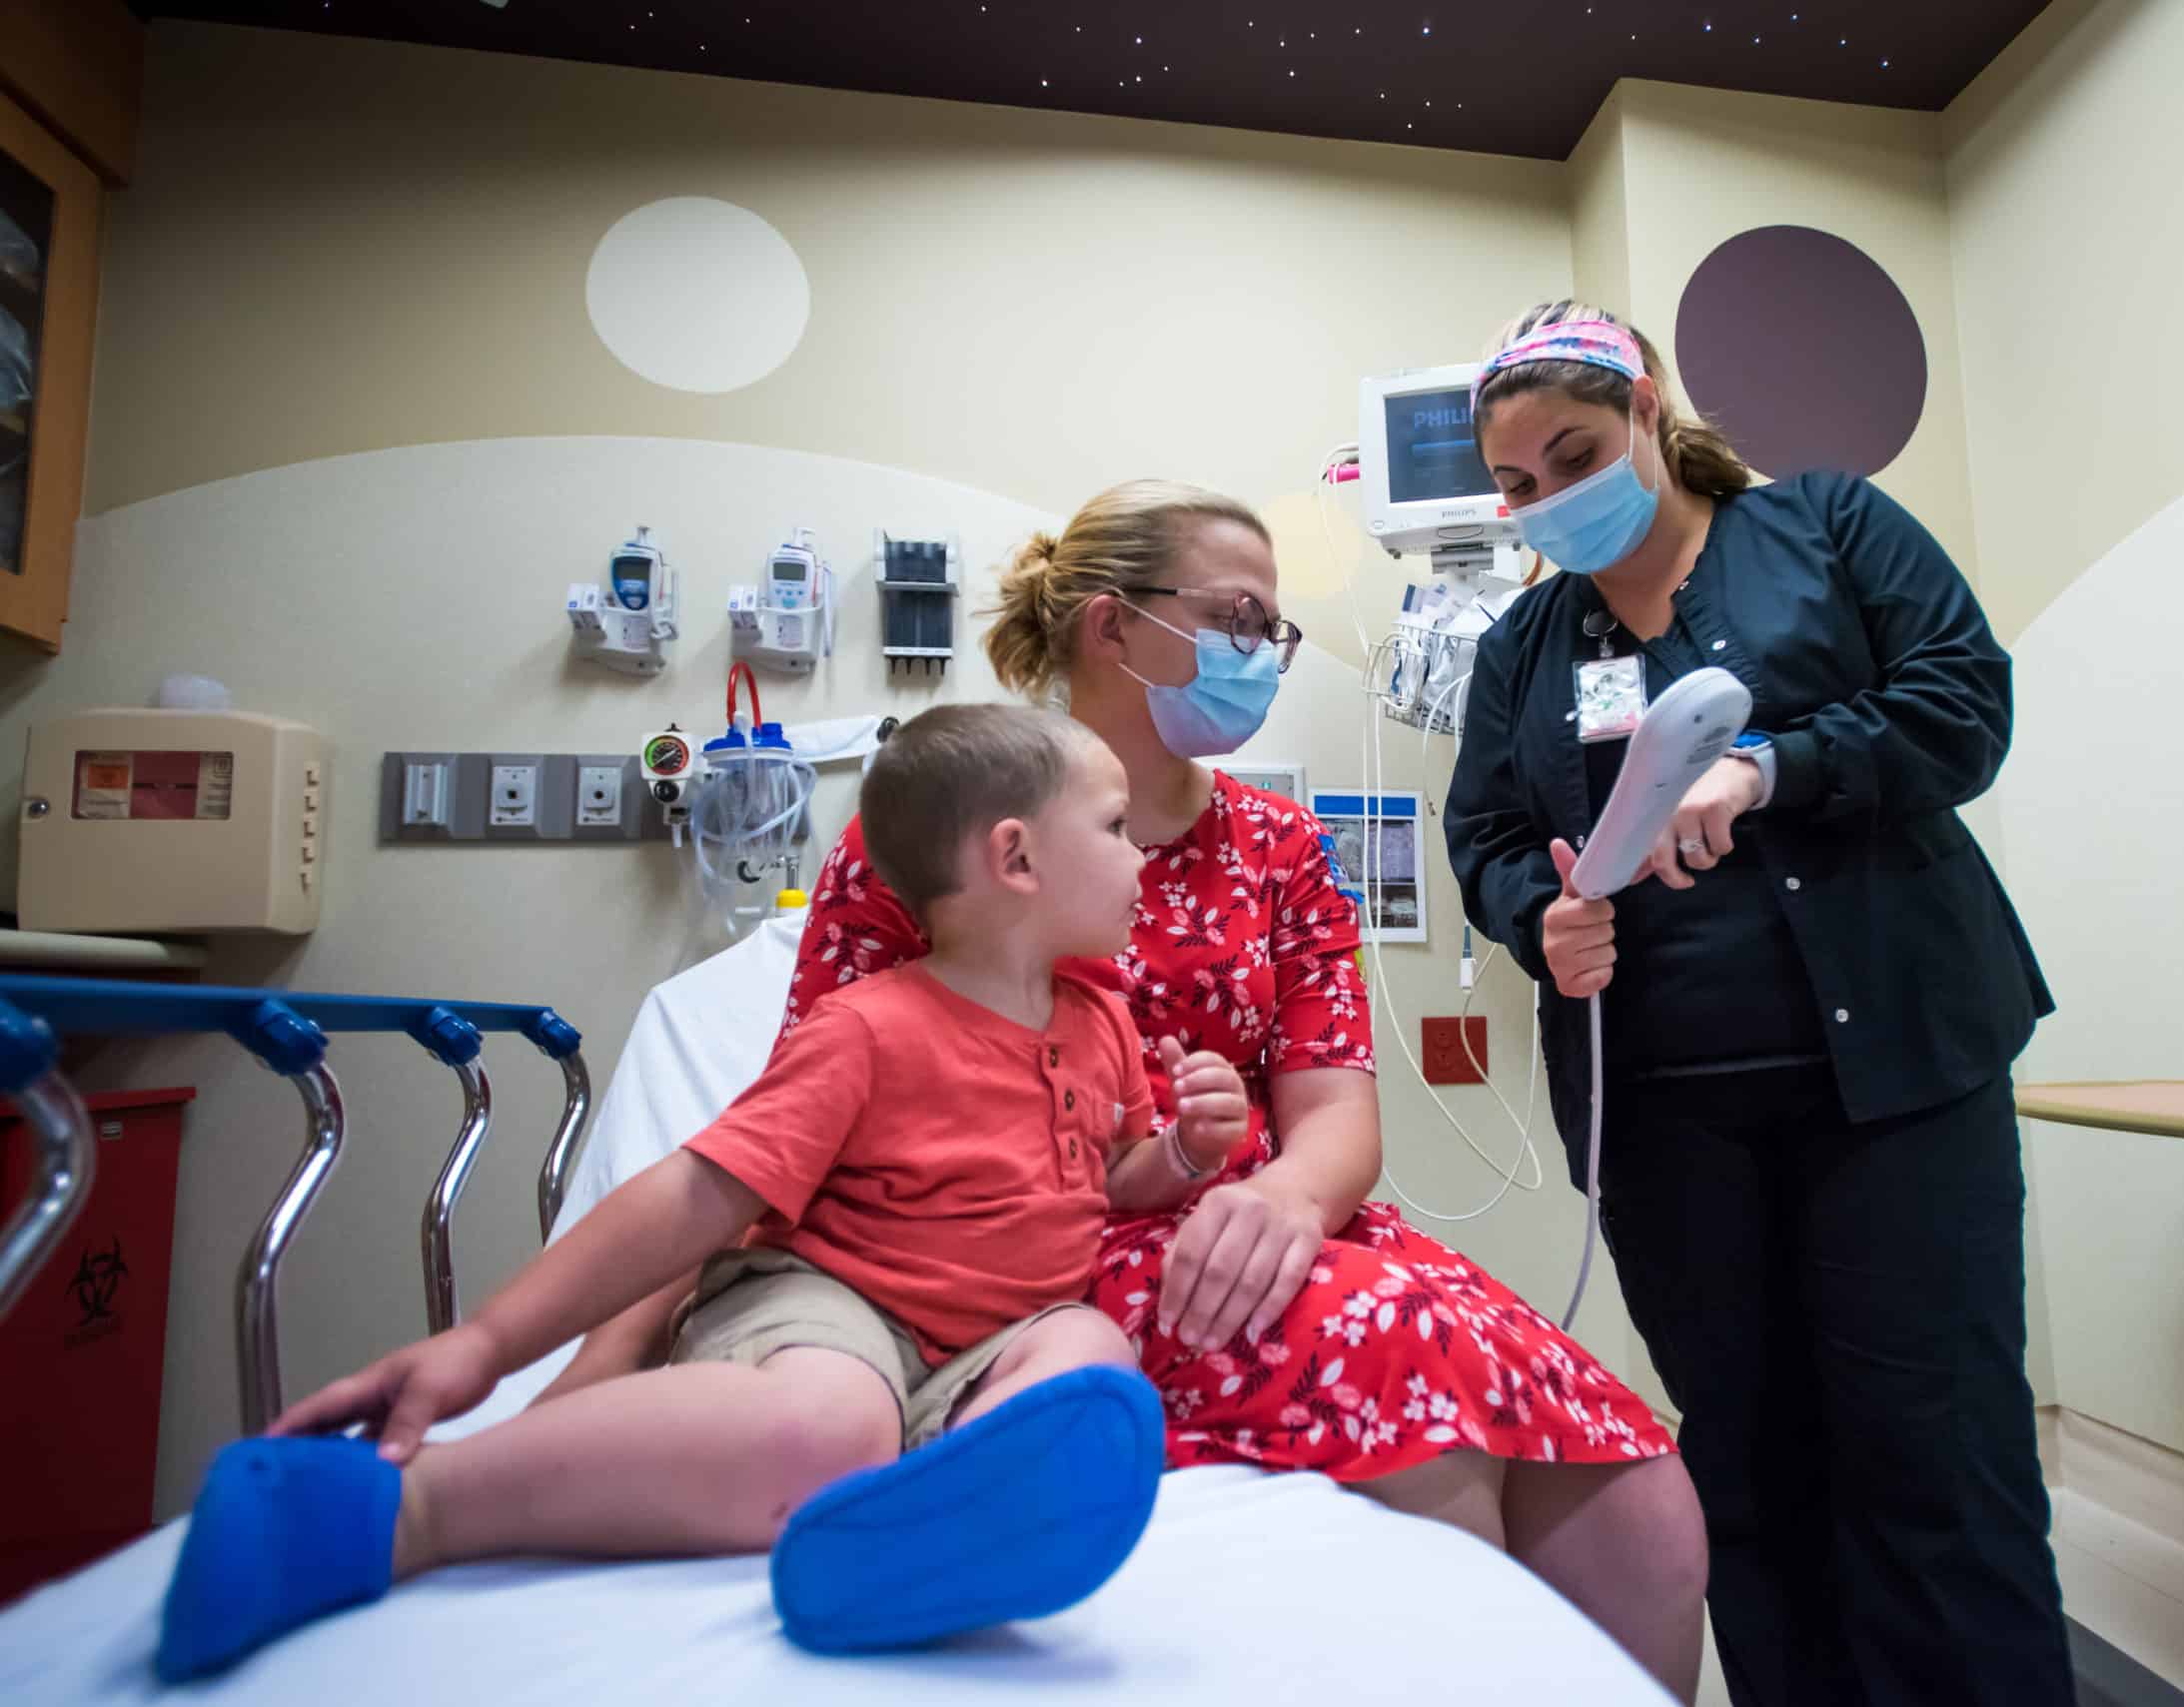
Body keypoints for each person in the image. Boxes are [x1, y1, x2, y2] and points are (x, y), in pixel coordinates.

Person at [553, 479, 1710, 1697]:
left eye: (1275, 628)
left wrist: (1286, 1203)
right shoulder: (947, 830)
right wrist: (605, 1354)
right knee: (1410, 1399)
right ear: (1112, 626)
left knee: (1644, 1499)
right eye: (1238, 617)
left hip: (1272, 1223)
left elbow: (1334, 1113)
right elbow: (785, 1134)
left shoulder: (1282, 849)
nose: (1264, 653)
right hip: (1052, 1252)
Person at [157, 704, 1254, 1681]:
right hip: (835, 1302)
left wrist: (1187, 1155)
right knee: (831, 1421)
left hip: (1002, 1332)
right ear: (1015, 856)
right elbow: (695, 1191)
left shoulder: (1100, 1022)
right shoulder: (867, 1027)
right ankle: (406, 1506)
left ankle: (920, 1533)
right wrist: (486, 1344)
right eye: (1113, 826)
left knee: (1092, 1366)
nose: (1143, 851)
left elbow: (1102, 1181)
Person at [1444, 302, 2072, 1704]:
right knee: (1745, 1453)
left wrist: (1774, 766)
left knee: (1933, 1449)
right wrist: (1537, 923)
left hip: (1899, 1083)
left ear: (1650, 409)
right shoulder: (1526, 651)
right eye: (1521, 482)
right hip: (1670, 1121)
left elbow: (1963, 702)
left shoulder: (1831, 531)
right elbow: (1483, 834)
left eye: (1574, 453)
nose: (1549, 497)